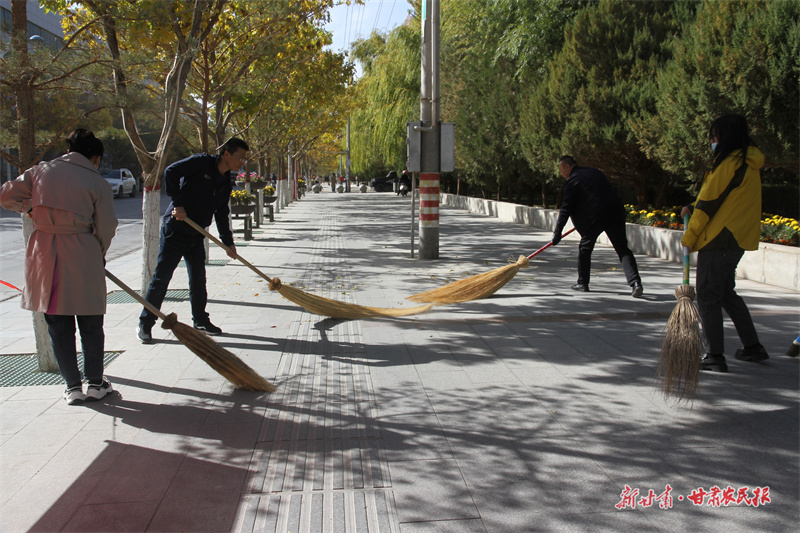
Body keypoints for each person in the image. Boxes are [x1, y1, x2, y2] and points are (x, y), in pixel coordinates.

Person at [0, 129, 118, 405]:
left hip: (46, 252)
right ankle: (96, 384)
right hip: (83, 249)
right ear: (96, 158)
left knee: (57, 321)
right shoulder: (95, 180)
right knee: (90, 321)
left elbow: (5, 196)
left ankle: (72, 387)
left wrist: (29, 208)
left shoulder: (40, 172)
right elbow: (107, 226)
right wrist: (97, 252)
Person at [137, 138, 248, 343]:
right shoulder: (202, 163)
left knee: (198, 279)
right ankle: (146, 322)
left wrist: (228, 242)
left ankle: (200, 319)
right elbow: (171, 171)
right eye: (240, 157)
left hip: (197, 235)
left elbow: (222, 212)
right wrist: (178, 204)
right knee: (162, 278)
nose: (242, 162)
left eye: (244, 159)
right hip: (176, 230)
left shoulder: (225, 182)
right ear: (226, 153)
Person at [680, 114, 768, 373]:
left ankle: (714, 355)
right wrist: (690, 206)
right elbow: (720, 200)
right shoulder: (748, 164)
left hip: (718, 241)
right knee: (726, 293)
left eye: (715, 136)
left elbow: (708, 204)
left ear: (726, 137)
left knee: (707, 297)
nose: (712, 141)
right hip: (735, 241)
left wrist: (688, 239)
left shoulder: (729, 164)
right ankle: (753, 347)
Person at [551, 156, 643, 297]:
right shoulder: (594, 172)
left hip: (596, 217)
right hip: (615, 212)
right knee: (622, 249)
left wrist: (557, 234)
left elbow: (565, 209)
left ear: (568, 167)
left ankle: (583, 283)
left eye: (561, 169)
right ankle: (636, 283)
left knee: (585, 249)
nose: (561, 173)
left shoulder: (572, 181)